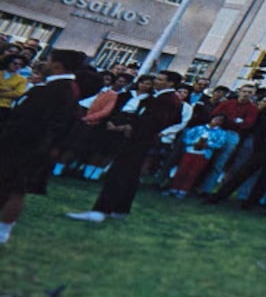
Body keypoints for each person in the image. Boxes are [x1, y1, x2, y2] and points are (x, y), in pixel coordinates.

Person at [68, 69, 184, 223]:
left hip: (137, 141)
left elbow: (153, 121)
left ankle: (101, 210)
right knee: (129, 176)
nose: (156, 81)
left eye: (161, 79)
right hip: (142, 141)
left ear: (171, 83)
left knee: (119, 174)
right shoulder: (166, 98)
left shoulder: (166, 99)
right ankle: (119, 209)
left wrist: (130, 127)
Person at [0, 49, 84, 246]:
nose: (44, 63)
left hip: (25, 145)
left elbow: (28, 121)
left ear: (57, 65)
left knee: (15, 188)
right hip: (37, 145)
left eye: (48, 60)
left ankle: (3, 231)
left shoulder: (51, 90)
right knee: (10, 187)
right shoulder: (68, 88)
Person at [165, 112, 233, 197]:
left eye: (220, 120)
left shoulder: (221, 133)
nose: (217, 121)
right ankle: (173, 188)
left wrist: (208, 145)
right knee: (182, 170)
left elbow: (219, 144)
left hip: (203, 154)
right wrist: (193, 143)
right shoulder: (198, 128)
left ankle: (183, 190)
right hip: (191, 151)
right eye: (216, 118)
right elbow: (187, 138)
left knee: (193, 172)